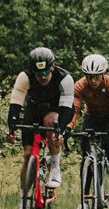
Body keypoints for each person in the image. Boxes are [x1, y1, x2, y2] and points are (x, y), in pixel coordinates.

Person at [5, 46, 74, 190]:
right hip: (35, 110)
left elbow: (67, 108)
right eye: (38, 73)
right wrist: (12, 129)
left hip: (58, 110)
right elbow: (16, 104)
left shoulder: (64, 78)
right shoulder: (25, 77)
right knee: (28, 155)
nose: (42, 76)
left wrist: (60, 132)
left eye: (45, 71)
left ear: (52, 67)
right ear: (32, 71)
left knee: (51, 122)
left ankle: (55, 165)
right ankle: (24, 201)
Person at [71, 52, 109, 185]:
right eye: (89, 77)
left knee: (108, 144)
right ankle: (85, 199)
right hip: (92, 116)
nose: (93, 80)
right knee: (85, 151)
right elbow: (75, 110)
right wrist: (68, 127)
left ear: (103, 74)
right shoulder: (80, 86)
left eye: (96, 77)